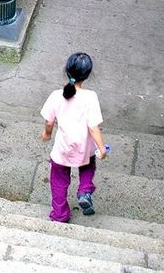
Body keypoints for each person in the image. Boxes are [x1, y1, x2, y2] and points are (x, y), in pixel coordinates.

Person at [40, 52, 107, 223]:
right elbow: (94, 127)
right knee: (87, 167)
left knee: (58, 180)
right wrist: (101, 148)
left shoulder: (56, 95)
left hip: (63, 149)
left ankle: (60, 214)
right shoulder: (90, 97)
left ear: (66, 71)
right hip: (85, 148)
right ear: (88, 75)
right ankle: (84, 190)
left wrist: (47, 133)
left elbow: (49, 121)